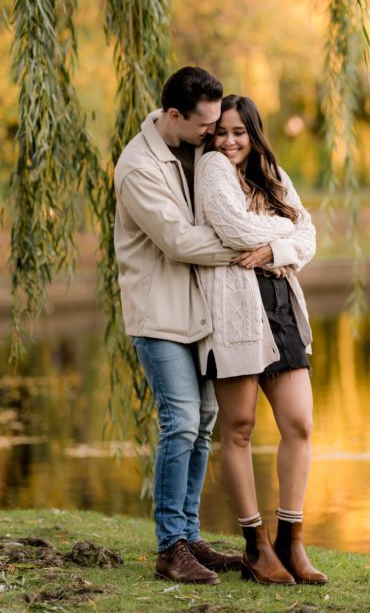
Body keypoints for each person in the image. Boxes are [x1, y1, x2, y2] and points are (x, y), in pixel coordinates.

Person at [114, 67, 267, 585]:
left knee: (203, 420)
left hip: (198, 311)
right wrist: (249, 249)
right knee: (180, 420)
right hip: (158, 315)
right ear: (174, 116)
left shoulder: (197, 151)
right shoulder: (139, 167)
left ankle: (190, 534)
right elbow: (178, 242)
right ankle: (169, 547)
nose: (215, 135)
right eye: (206, 127)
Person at [194, 94, 326, 585]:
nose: (229, 141)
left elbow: (309, 234)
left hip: (279, 303)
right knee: (240, 427)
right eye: (222, 132)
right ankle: (255, 546)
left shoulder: (271, 171)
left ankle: (292, 542)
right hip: (233, 308)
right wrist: (284, 231)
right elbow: (230, 228)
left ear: (254, 134)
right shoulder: (211, 168)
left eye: (239, 133)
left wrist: (274, 244)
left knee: (299, 422)